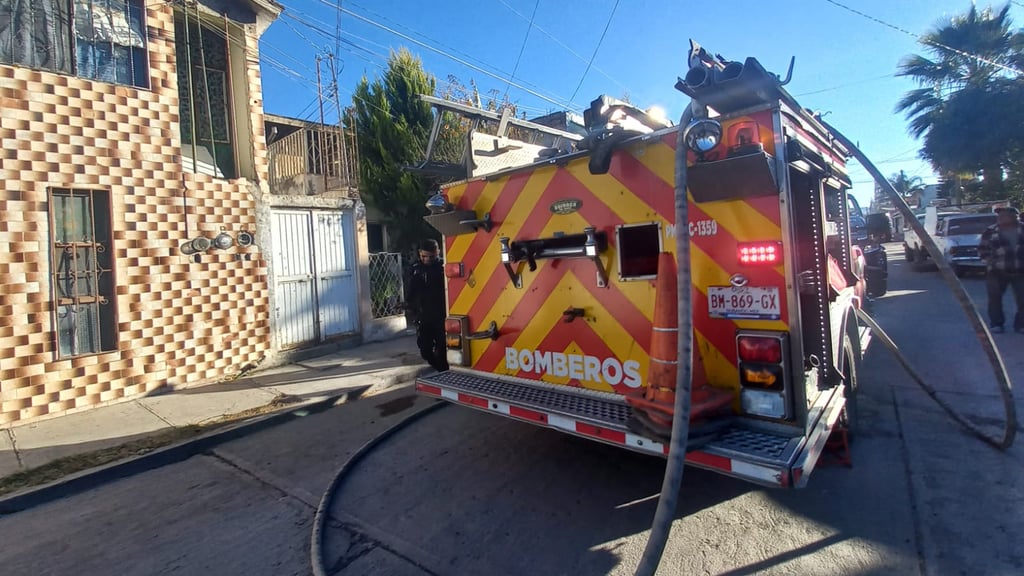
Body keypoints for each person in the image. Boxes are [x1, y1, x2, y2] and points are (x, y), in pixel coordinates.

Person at [978, 207, 1024, 334]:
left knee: (1023, 299)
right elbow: (982, 249)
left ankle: (1021, 325)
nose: (1001, 217)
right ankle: (997, 324)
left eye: (1005, 215)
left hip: (1021, 270)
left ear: (1015, 216)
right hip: (997, 272)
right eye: (1000, 215)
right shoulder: (990, 231)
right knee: (995, 299)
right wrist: (989, 261)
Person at [407, 239, 449, 371]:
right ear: (420, 254)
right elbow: (411, 292)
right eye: (424, 256)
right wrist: (408, 305)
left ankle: (444, 372)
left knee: (442, 348)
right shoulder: (415, 270)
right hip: (424, 316)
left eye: (431, 256)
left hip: (441, 315)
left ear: (438, 253)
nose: (427, 259)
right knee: (425, 350)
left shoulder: (443, 268)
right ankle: (440, 368)